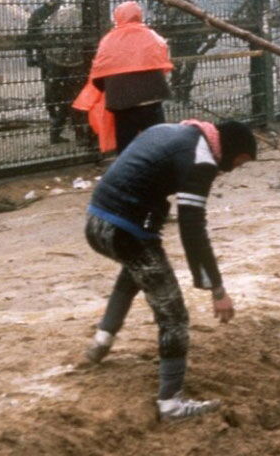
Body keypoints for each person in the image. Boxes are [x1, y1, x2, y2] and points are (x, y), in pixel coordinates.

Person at [83, 118, 257, 421]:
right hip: (124, 229)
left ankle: (101, 342)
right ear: (229, 150)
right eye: (238, 163)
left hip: (96, 221)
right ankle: (171, 404)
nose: (231, 170)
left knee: (137, 271)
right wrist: (216, 289)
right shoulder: (201, 159)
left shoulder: (173, 130)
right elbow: (192, 229)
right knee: (174, 315)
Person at [73, 1, 173, 153]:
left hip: (122, 102)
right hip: (151, 98)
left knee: (126, 146)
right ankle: (158, 171)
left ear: (117, 17)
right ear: (139, 16)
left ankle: (129, 171)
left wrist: (114, 86)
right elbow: (162, 62)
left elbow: (99, 74)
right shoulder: (152, 36)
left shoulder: (109, 40)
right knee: (157, 143)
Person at [38, 0, 91, 145]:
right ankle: (80, 135)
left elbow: (44, 37)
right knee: (76, 99)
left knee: (61, 100)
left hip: (56, 64)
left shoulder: (54, 17)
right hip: (76, 64)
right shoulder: (82, 17)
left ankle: (55, 133)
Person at [24, 0, 61, 70]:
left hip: (53, 53)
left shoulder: (62, 9)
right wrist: (29, 57)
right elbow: (29, 35)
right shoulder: (38, 13)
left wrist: (30, 57)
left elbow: (29, 36)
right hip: (46, 54)